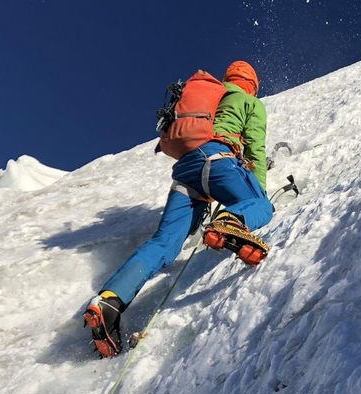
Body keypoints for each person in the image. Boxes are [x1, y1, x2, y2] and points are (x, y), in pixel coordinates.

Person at [84, 60, 273, 357]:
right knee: (260, 204)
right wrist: (257, 191)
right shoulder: (248, 100)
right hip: (219, 159)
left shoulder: (208, 95)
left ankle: (109, 300)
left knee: (163, 243)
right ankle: (231, 221)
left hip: (185, 173)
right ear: (252, 84)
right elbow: (255, 149)